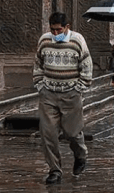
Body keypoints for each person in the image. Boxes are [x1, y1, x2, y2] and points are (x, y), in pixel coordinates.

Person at [34, 12, 93, 185]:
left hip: (71, 94)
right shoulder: (44, 40)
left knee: (73, 133)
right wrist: (39, 84)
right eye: (52, 30)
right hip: (48, 94)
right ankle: (54, 170)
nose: (55, 33)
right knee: (48, 134)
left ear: (67, 26)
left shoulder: (77, 41)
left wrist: (79, 88)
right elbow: (38, 63)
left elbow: (87, 66)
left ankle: (80, 156)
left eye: (58, 29)